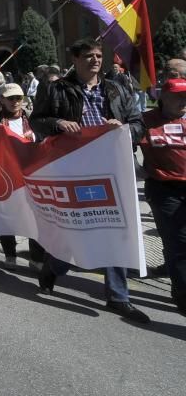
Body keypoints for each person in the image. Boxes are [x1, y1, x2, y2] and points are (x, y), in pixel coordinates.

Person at [30, 38, 148, 323]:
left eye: (98, 55)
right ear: (75, 59)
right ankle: (54, 267)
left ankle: (118, 296)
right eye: (87, 56)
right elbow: (37, 120)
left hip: (114, 168)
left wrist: (124, 128)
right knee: (78, 228)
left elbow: (138, 124)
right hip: (75, 168)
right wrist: (58, 124)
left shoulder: (117, 89)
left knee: (116, 227)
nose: (95, 60)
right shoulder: (56, 88)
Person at [0, 83, 43, 270]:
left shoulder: (33, 120)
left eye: (18, 98)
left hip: (30, 176)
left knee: (34, 218)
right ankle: (10, 255)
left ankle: (36, 259)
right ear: (2, 100)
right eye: (10, 98)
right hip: (4, 176)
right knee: (6, 217)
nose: (15, 102)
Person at [140, 77, 186, 315]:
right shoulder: (146, 120)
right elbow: (120, 144)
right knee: (178, 244)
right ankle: (182, 296)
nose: (183, 100)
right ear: (163, 98)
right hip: (164, 190)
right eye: (178, 96)